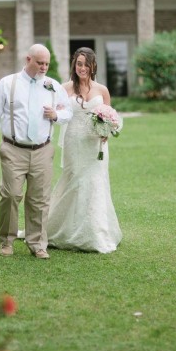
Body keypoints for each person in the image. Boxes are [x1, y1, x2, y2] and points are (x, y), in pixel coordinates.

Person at [0, 44, 72, 258]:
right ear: (28, 60)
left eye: (47, 64)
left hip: (43, 149)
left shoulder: (52, 85)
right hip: (13, 148)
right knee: (11, 195)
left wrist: (57, 116)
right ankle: (6, 240)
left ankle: (37, 243)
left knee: (39, 198)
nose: (44, 67)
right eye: (40, 63)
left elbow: (68, 110)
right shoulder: (8, 84)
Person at [47, 47, 122, 253]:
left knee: (96, 182)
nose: (82, 68)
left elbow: (109, 114)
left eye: (86, 64)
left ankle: (96, 233)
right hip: (74, 142)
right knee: (74, 181)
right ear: (74, 65)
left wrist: (108, 128)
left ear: (93, 66)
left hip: (96, 145)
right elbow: (55, 109)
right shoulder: (65, 88)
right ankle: (61, 228)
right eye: (79, 64)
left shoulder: (102, 90)